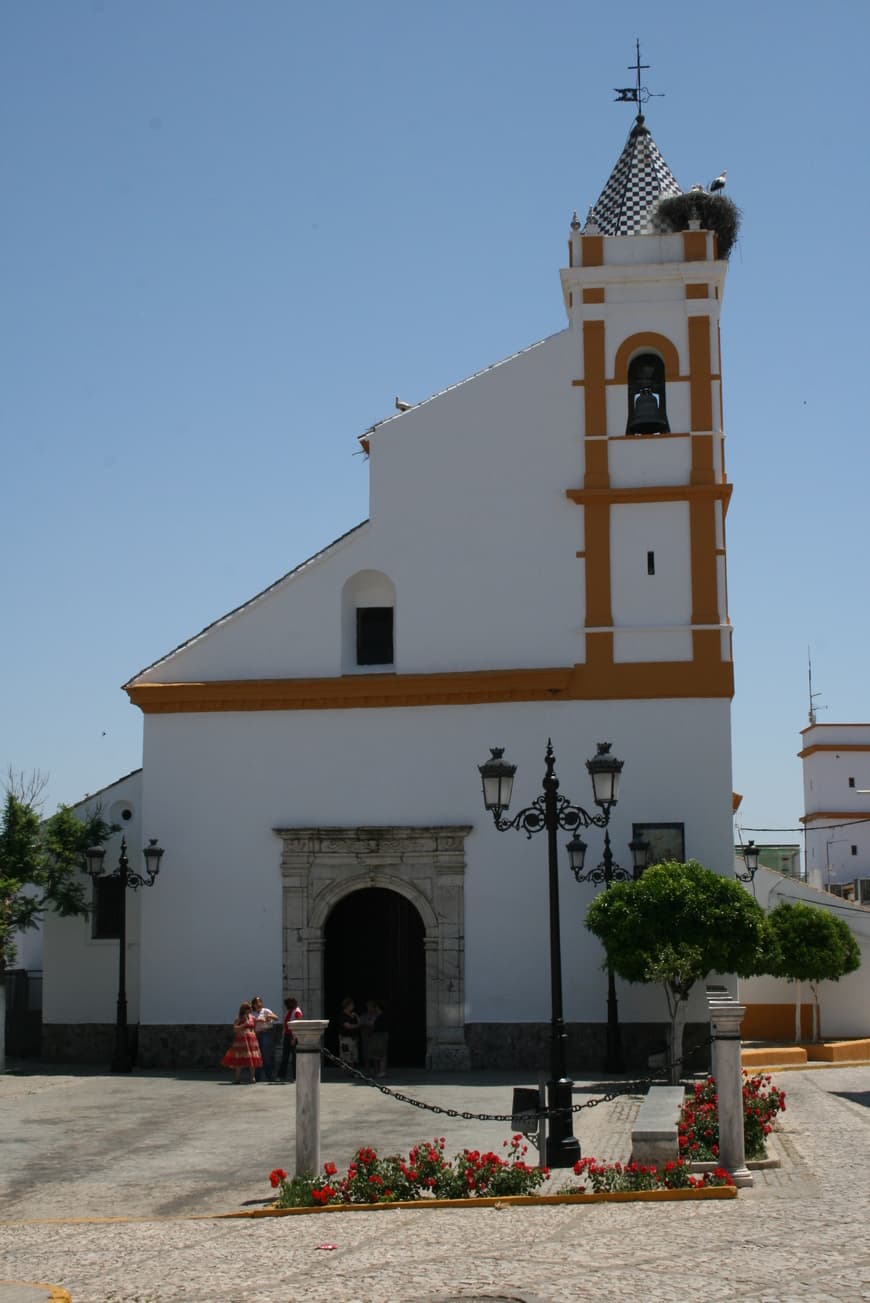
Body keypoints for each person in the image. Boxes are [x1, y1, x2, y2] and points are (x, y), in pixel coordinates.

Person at [221, 1002, 263, 1085]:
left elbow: (255, 1025)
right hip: (242, 1041)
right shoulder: (239, 1018)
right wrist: (243, 1025)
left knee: (252, 1059)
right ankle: (237, 1079)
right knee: (239, 1059)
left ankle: (252, 1078)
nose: (250, 1010)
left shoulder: (252, 1017)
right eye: (248, 1008)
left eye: (250, 1008)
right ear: (244, 1009)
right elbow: (235, 1029)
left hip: (251, 1040)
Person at [251, 995, 278, 1082]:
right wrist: (257, 1021)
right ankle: (257, 1076)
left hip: (266, 1033)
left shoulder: (266, 1010)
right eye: (256, 1002)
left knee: (266, 1055)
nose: (259, 1004)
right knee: (257, 1055)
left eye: (260, 1002)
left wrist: (268, 1017)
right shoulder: (252, 1013)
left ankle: (269, 1076)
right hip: (256, 1034)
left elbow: (276, 1017)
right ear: (254, 1004)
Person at [277, 996, 303, 1083]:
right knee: (285, 1057)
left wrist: (294, 1038)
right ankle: (281, 1075)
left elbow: (298, 1026)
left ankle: (296, 1077)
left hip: (293, 1037)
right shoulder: (290, 1011)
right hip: (287, 1036)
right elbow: (286, 1024)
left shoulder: (297, 1012)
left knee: (294, 1058)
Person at [364, 999, 389, 1078]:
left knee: (382, 1054)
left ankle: (382, 1071)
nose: (375, 1009)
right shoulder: (380, 1016)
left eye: (376, 1008)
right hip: (380, 1036)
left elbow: (374, 1025)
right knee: (379, 1054)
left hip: (381, 1036)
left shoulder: (381, 1016)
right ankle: (380, 1071)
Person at [337, 996, 360, 1067]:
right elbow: (347, 1026)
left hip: (353, 1038)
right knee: (346, 1055)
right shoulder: (342, 1015)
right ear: (347, 1006)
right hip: (345, 1039)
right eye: (351, 1005)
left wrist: (356, 1016)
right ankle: (348, 1071)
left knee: (353, 1055)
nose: (353, 1007)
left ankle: (352, 1071)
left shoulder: (353, 1015)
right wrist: (357, 1025)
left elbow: (360, 1022)